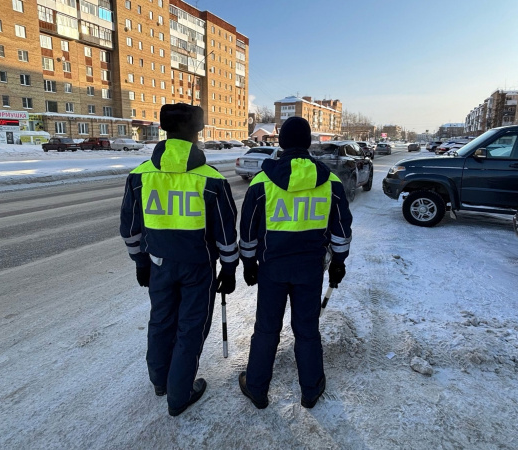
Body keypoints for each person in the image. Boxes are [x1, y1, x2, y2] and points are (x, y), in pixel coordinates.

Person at [119, 103, 239, 417]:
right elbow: (226, 233)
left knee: (161, 321)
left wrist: (140, 262)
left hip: (158, 264)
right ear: (198, 131)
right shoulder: (212, 179)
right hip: (198, 269)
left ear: (164, 129)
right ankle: (179, 395)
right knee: (190, 328)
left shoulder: (140, 175)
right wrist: (229, 268)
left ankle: (160, 381)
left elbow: (130, 229)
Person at [237, 116, 353, 409]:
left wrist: (248, 262)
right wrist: (338, 262)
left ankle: (256, 388)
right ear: (309, 143)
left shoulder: (262, 182)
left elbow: (248, 230)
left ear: (281, 142)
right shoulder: (331, 182)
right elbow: (341, 229)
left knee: (267, 329)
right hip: (310, 271)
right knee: (307, 330)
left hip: (272, 270)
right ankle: (311, 390)